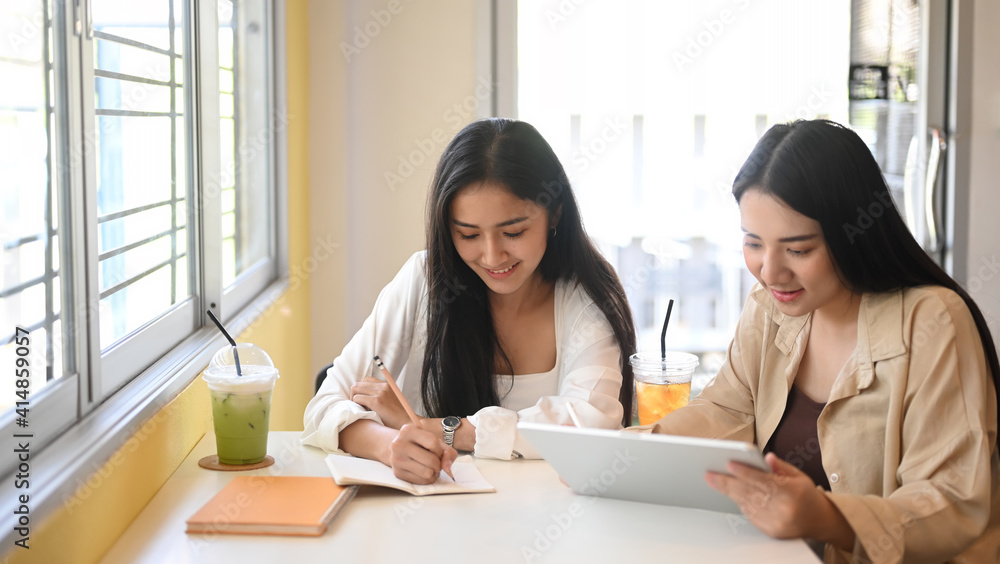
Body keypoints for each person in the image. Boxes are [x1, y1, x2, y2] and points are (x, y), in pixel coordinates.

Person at [646, 119, 1000, 563]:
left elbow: (953, 500)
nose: (770, 272)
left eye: (798, 250)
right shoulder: (770, 304)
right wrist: (635, 450)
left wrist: (830, 517)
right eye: (753, 243)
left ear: (855, 234)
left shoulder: (932, 320)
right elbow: (728, 408)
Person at [302, 118, 636, 485]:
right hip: (432, 523)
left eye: (513, 232)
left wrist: (439, 429)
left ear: (555, 212)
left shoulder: (587, 303)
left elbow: (591, 425)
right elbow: (324, 405)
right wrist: (390, 444)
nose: (492, 257)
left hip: (548, 522)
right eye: (468, 234)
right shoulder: (424, 281)